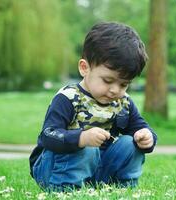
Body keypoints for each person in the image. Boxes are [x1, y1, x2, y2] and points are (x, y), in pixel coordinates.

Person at [29, 22, 158, 192]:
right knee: (87, 148)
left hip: (98, 169)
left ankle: (124, 190)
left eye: (124, 84)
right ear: (85, 68)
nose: (115, 90)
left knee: (130, 142)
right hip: (54, 168)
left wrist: (147, 137)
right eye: (108, 81)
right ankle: (66, 190)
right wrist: (81, 138)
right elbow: (49, 135)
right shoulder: (69, 98)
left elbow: (140, 127)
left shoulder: (123, 102)